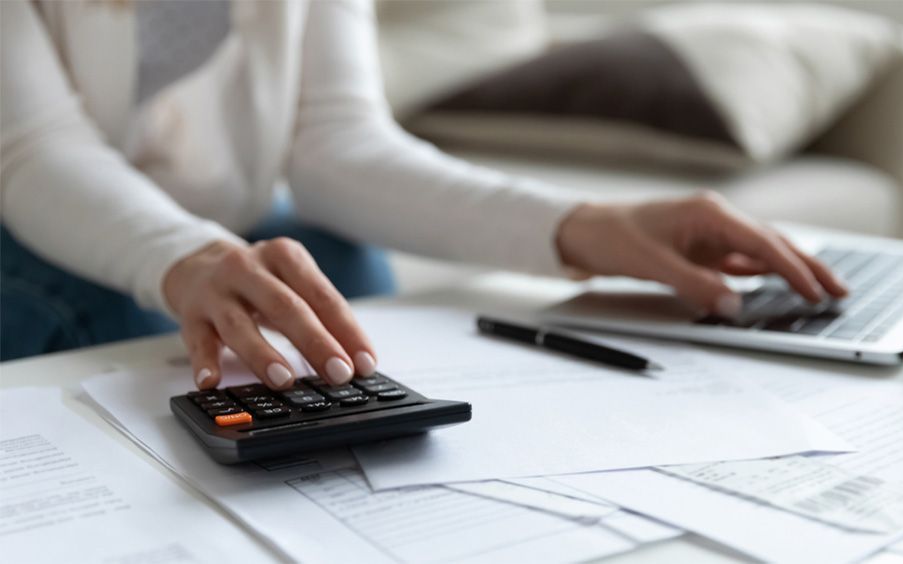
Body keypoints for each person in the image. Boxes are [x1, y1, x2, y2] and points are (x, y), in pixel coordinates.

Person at [0, 0, 846, 391]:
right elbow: (32, 150)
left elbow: (336, 141)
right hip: (30, 228)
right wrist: (187, 259)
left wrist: (587, 226)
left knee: (348, 281)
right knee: (143, 336)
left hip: (224, 226)